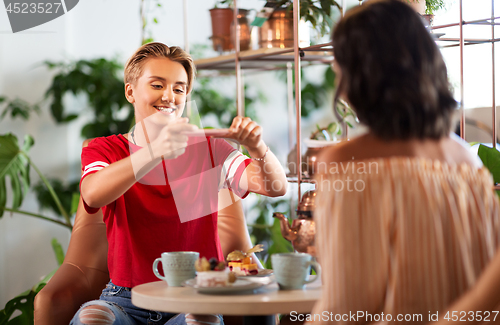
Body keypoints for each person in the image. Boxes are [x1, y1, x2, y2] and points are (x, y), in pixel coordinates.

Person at [307, 0, 500, 324]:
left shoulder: (344, 161)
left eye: (339, 66)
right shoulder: (468, 162)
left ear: (361, 74)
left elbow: (347, 307)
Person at [70, 42, 287, 325]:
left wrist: (258, 147)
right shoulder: (104, 149)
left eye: (179, 88)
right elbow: (93, 194)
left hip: (194, 297)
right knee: (92, 318)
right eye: (157, 85)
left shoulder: (211, 150)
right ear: (131, 91)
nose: (169, 96)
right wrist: (155, 150)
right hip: (125, 298)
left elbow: (275, 187)